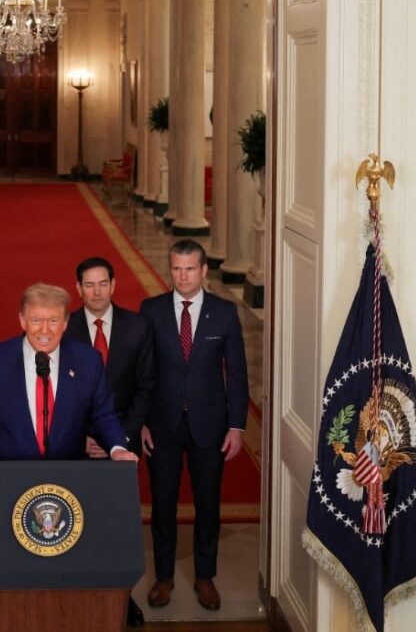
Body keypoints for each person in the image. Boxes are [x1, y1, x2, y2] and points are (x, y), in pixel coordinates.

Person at [138, 239, 249, 612]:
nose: (182, 277)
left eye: (189, 269)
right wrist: (141, 424)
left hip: (210, 426)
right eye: (176, 269)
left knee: (207, 503)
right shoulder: (150, 310)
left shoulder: (224, 313)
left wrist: (236, 427)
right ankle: (164, 577)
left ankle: (205, 577)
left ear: (203, 271)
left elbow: (236, 374)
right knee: (163, 503)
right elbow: (143, 372)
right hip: (162, 424)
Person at [0, 283, 139, 479]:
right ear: (22, 320)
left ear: (65, 323)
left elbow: (103, 415)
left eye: (54, 320)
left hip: (67, 480)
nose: (45, 330)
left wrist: (118, 449)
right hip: (4, 479)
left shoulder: (87, 361)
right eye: (36, 320)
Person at [67, 257, 155, 628]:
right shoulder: (65, 328)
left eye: (103, 284)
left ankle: (123, 596)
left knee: (118, 523)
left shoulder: (137, 327)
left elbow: (146, 387)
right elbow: (57, 392)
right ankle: (76, 591)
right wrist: (82, 437)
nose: (97, 292)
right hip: (76, 444)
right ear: (78, 289)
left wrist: (120, 439)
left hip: (122, 444)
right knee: (77, 520)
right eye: (89, 285)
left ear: (114, 285)